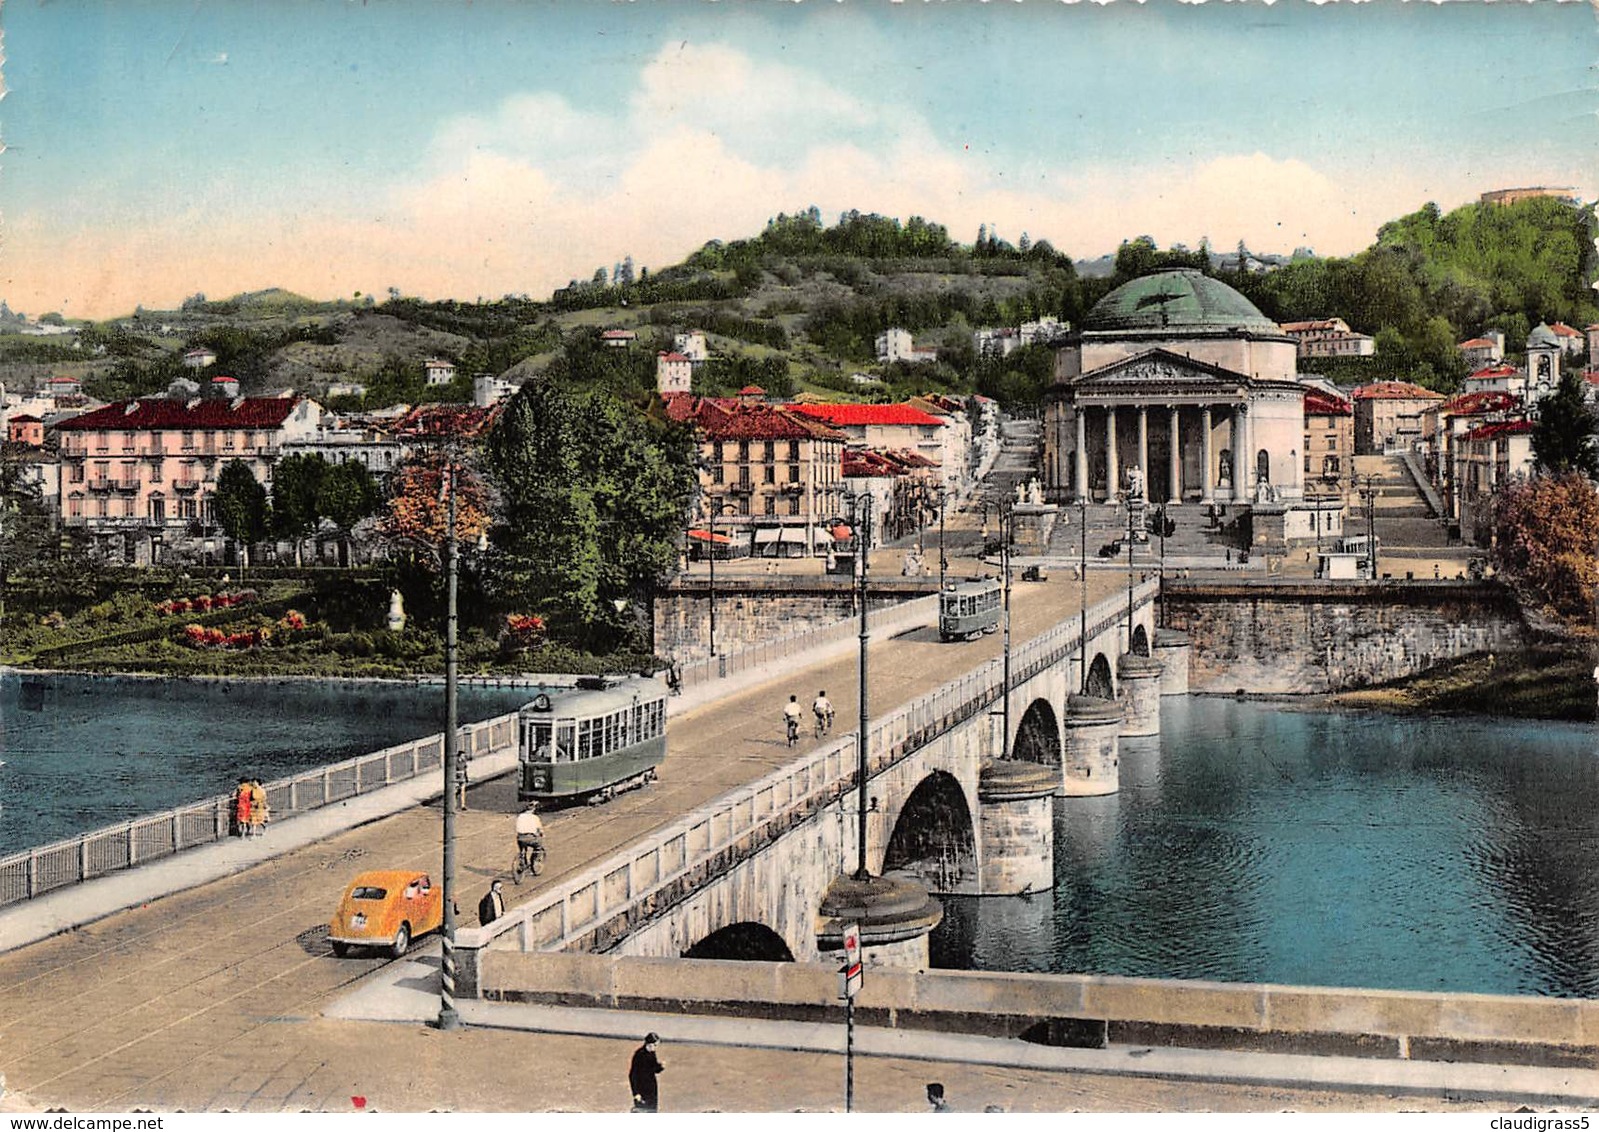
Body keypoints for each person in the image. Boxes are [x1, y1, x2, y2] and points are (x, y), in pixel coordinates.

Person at [629, 1032, 664, 1112]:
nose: (655, 1047)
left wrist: (660, 1067)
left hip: (651, 1088)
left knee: (652, 1110)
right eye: (654, 1045)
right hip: (641, 1088)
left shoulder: (652, 1053)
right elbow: (632, 1075)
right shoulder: (639, 1055)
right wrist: (636, 1093)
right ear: (649, 1044)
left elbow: (653, 1069)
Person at [515, 802, 544, 871]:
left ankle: (523, 861)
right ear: (533, 810)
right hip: (530, 838)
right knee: (538, 846)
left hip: (520, 838)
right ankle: (534, 861)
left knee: (522, 850)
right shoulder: (535, 817)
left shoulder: (520, 816)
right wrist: (541, 834)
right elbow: (540, 829)